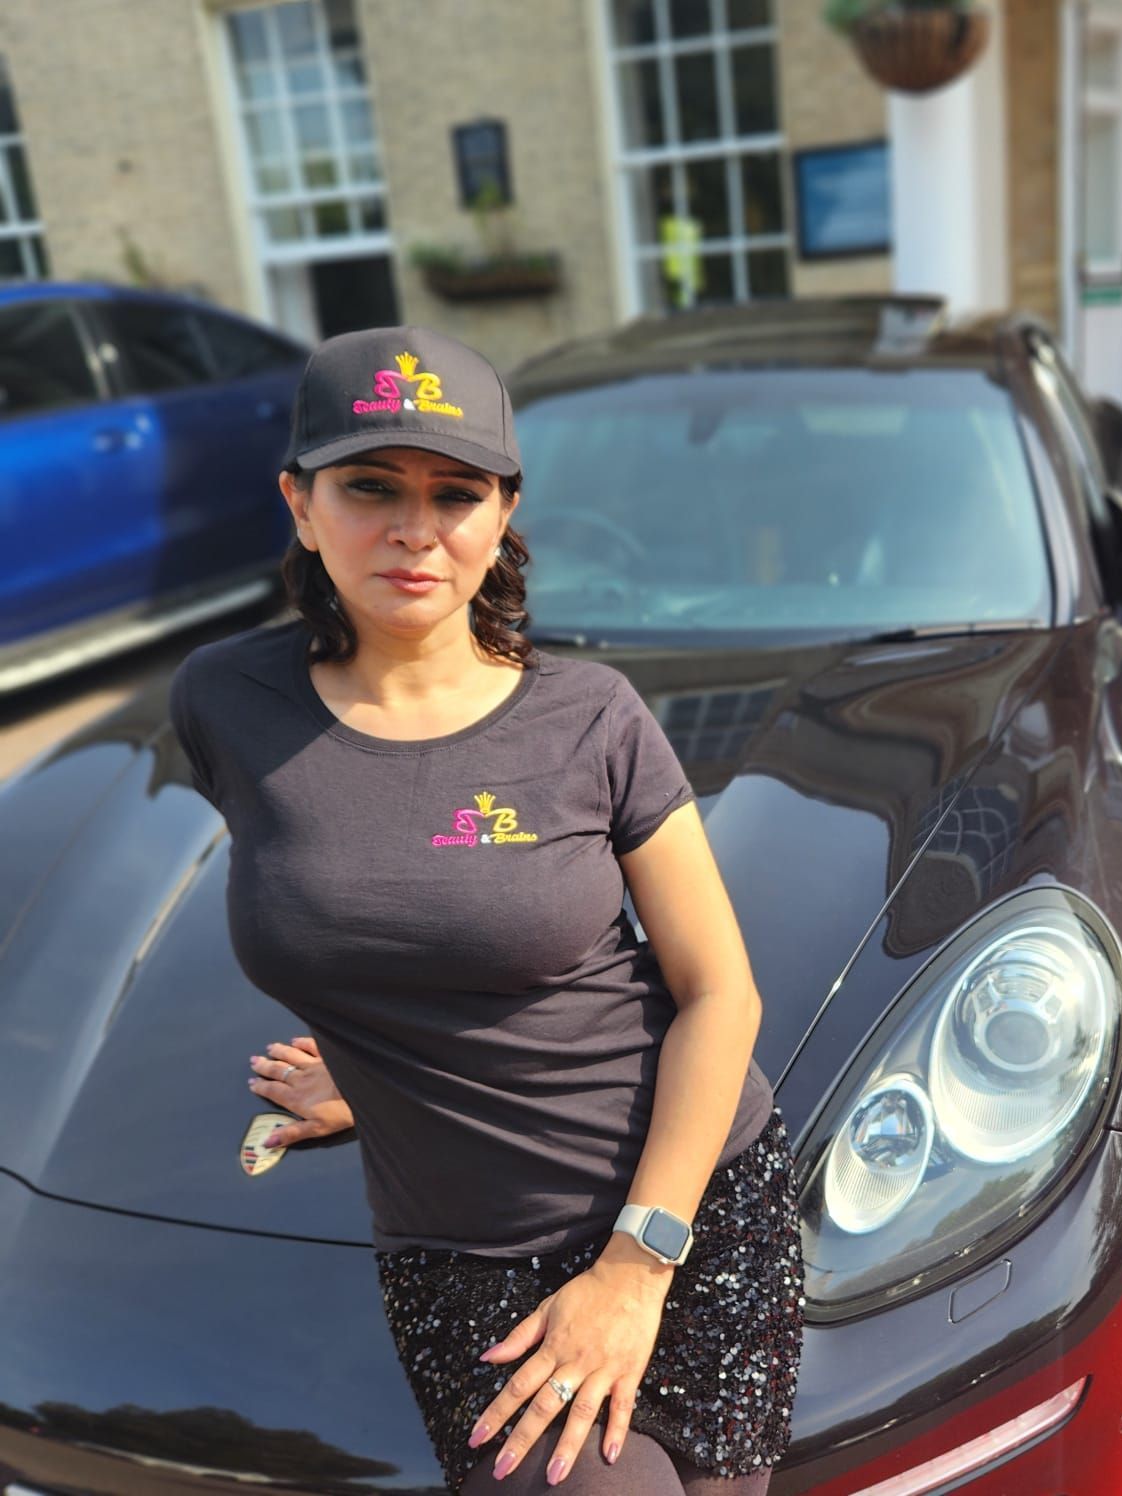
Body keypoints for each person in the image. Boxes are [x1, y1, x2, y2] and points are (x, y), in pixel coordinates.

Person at [168, 326, 804, 1495]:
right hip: (471, 1262)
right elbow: (362, 903)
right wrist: (380, 1067)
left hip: (686, 1212)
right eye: (370, 486)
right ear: (300, 504)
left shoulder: (591, 716)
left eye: (454, 492)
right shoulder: (226, 704)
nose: (414, 529)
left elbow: (721, 991)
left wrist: (638, 1263)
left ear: (502, 512)